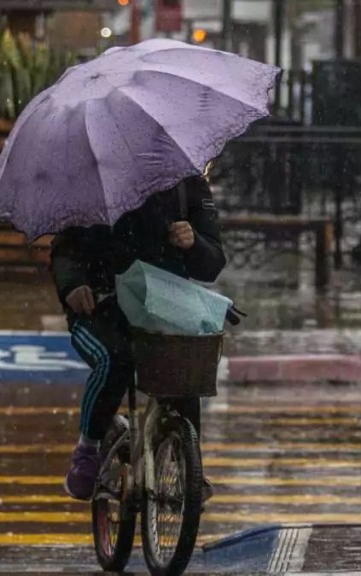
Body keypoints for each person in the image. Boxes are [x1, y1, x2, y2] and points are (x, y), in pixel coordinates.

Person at [50, 174, 226, 501]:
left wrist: (194, 243)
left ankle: (190, 469)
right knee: (114, 360)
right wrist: (73, 286)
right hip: (100, 308)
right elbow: (65, 249)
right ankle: (88, 449)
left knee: (185, 367)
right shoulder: (90, 182)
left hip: (163, 306)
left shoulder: (188, 184)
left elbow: (212, 263)